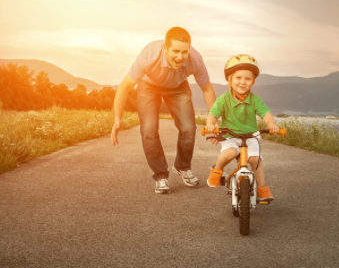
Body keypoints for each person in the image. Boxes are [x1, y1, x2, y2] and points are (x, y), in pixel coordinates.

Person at [111, 27, 216, 194]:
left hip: (178, 86)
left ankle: (182, 166)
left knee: (189, 128)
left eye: (184, 52)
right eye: (175, 51)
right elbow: (125, 87)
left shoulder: (195, 59)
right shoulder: (150, 55)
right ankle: (160, 175)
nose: (180, 57)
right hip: (149, 86)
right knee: (149, 130)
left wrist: (213, 118)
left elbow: (207, 89)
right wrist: (117, 118)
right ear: (165, 48)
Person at [205, 54, 278, 201]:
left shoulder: (255, 100)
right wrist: (210, 125)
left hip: (251, 135)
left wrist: (272, 124)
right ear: (229, 80)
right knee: (230, 153)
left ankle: (262, 188)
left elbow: (266, 114)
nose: (243, 82)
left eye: (248, 79)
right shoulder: (223, 99)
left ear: (253, 81)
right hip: (229, 135)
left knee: (255, 159)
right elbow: (213, 114)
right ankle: (217, 170)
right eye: (238, 78)